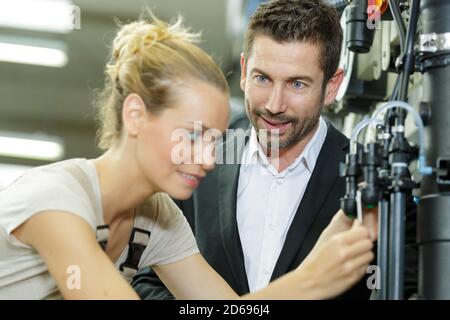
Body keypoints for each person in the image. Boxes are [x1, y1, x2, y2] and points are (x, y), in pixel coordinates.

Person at [0, 13, 375, 300]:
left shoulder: (157, 219)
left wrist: (318, 263)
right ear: (135, 114)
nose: (209, 159)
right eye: (193, 135)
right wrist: (308, 282)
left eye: (214, 140)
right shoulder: (57, 201)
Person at [133, 0, 378, 300]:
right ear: (245, 71)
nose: (274, 105)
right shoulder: (197, 164)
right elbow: (149, 284)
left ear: (331, 86)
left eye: (297, 84)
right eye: (263, 78)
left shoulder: (371, 180)